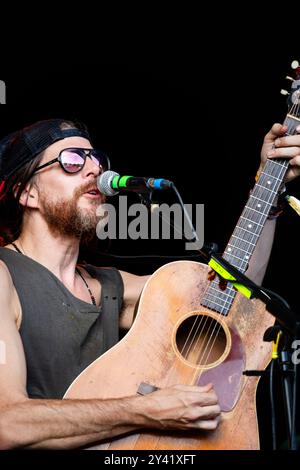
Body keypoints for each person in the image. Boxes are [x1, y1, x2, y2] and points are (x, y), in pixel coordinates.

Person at [0, 119, 299, 450]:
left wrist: (268, 191)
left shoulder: (111, 286)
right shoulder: (4, 277)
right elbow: (7, 424)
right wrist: (146, 410)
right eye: (72, 160)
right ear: (26, 192)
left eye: (96, 158)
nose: (94, 170)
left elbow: (231, 298)